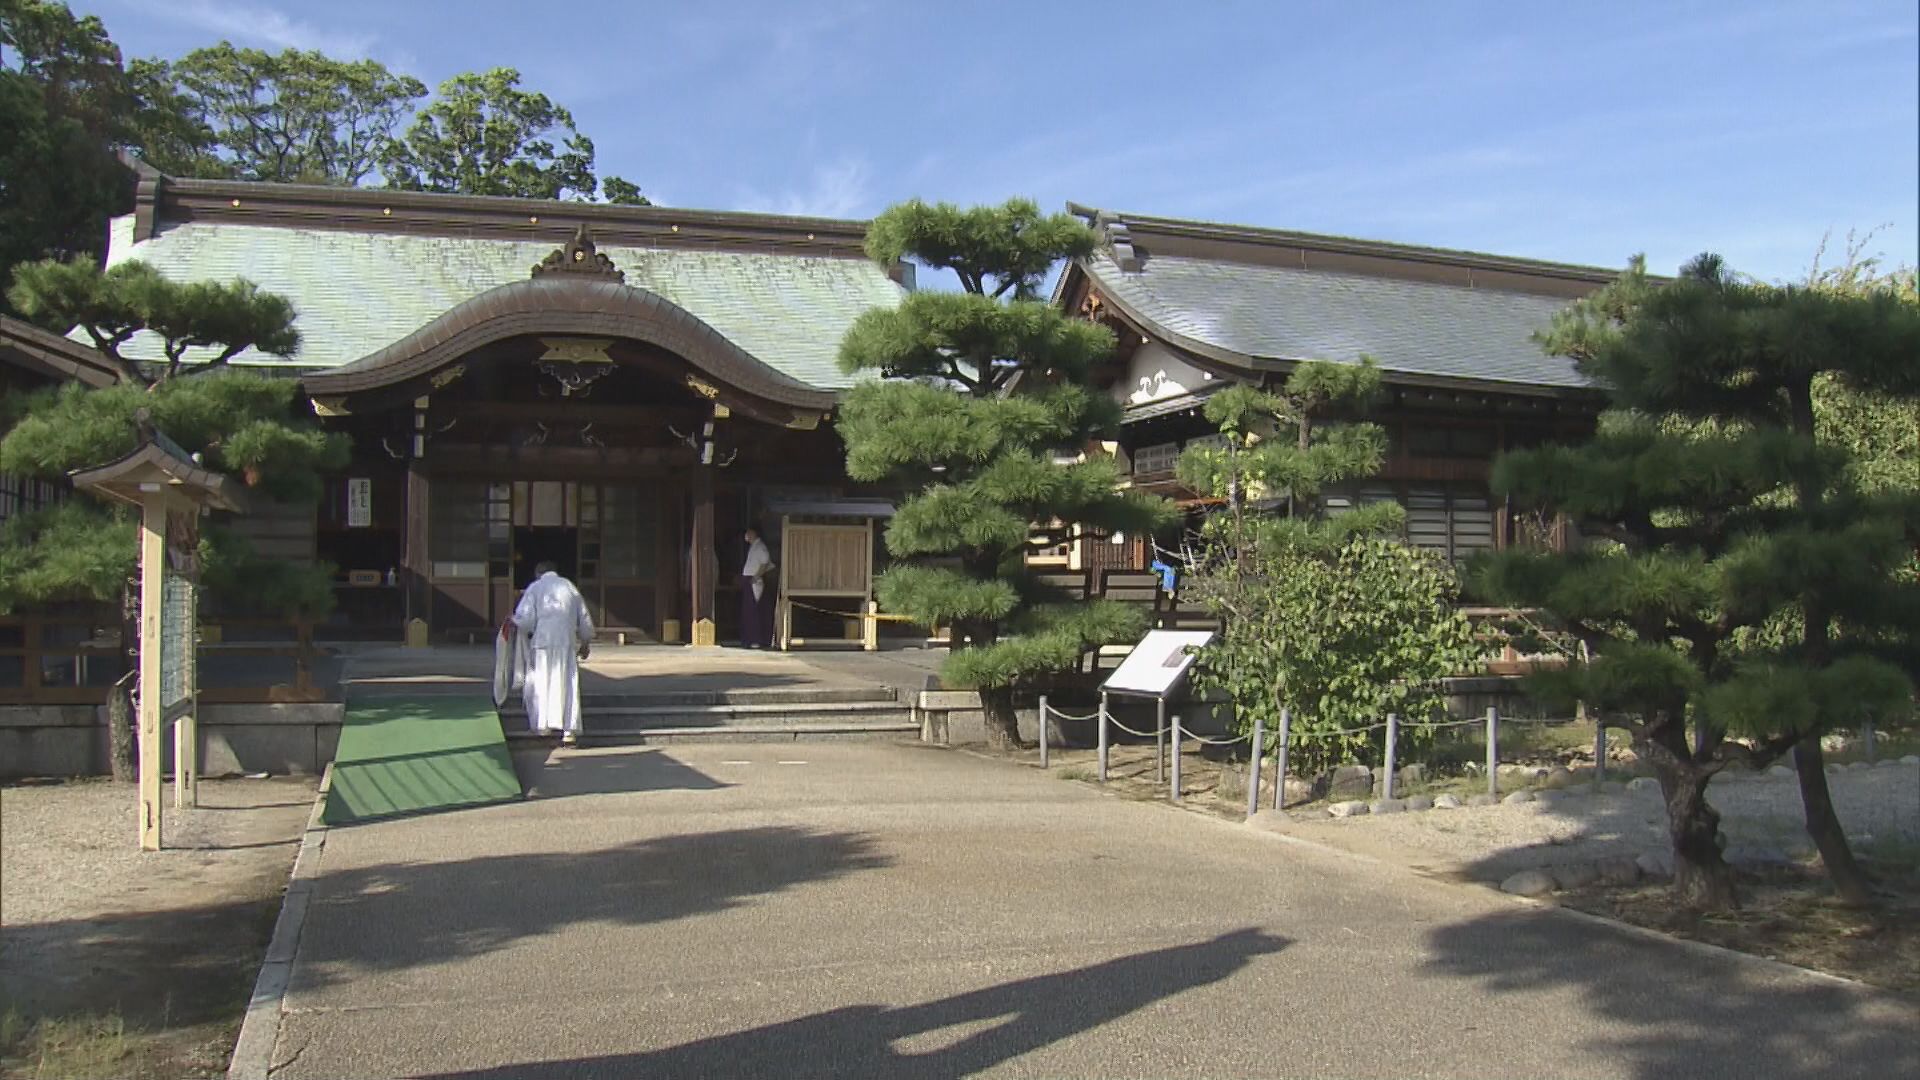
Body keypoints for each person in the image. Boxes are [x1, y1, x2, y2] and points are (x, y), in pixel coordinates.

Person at [510, 561, 594, 744]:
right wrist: (585, 642)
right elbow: (584, 617)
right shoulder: (570, 587)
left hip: (543, 642)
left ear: (539, 573)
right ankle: (569, 730)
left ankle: (542, 725)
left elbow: (527, 620)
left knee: (542, 683)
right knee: (567, 684)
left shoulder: (535, 588)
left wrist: (514, 622)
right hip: (566, 643)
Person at [738, 525, 776, 648]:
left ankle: (756, 639)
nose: (746, 535)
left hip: (754, 580)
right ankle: (749, 638)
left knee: (753, 611)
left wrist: (757, 577)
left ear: (754, 533)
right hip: (750, 579)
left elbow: (765, 563)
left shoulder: (760, 547)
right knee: (749, 611)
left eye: (749, 532)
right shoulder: (754, 546)